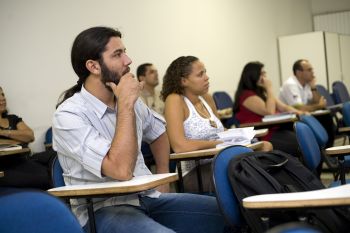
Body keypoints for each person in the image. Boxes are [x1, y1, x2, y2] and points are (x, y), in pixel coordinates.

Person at [52, 26, 226, 233]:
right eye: (118, 54)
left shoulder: (131, 102)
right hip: (102, 210)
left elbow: (159, 131)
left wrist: (162, 176)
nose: (128, 60)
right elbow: (120, 170)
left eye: (124, 51)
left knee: (231, 213)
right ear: (94, 66)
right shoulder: (68, 115)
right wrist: (125, 105)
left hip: (147, 198)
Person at [161, 56, 272, 192]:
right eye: (200, 74)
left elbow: (221, 131)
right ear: (183, 81)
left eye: (205, 72)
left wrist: (241, 137)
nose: (207, 77)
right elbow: (180, 146)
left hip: (221, 160)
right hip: (196, 172)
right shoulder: (175, 100)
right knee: (250, 172)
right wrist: (219, 143)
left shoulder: (206, 98)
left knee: (266, 148)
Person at [233, 61, 302, 157]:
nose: (264, 77)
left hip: (274, 129)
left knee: (303, 139)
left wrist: (302, 113)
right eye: (261, 74)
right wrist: (269, 89)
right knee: (299, 144)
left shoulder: (261, 93)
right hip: (263, 135)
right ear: (252, 76)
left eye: (264, 73)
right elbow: (269, 112)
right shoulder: (246, 95)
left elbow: (283, 107)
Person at [0, 86, 50, 189]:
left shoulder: (12, 118)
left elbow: (30, 136)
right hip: (5, 164)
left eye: (3, 95)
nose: (2, 98)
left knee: (55, 155)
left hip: (24, 158)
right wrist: (18, 136)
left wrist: (3, 132)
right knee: (45, 176)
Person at [279, 59, 335, 147]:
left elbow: (316, 102)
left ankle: (328, 149)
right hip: (289, 121)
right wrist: (318, 105)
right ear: (299, 72)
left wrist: (313, 87)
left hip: (302, 115)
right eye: (309, 70)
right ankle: (326, 150)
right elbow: (299, 108)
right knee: (324, 118)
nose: (313, 72)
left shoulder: (306, 84)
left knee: (325, 115)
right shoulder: (290, 84)